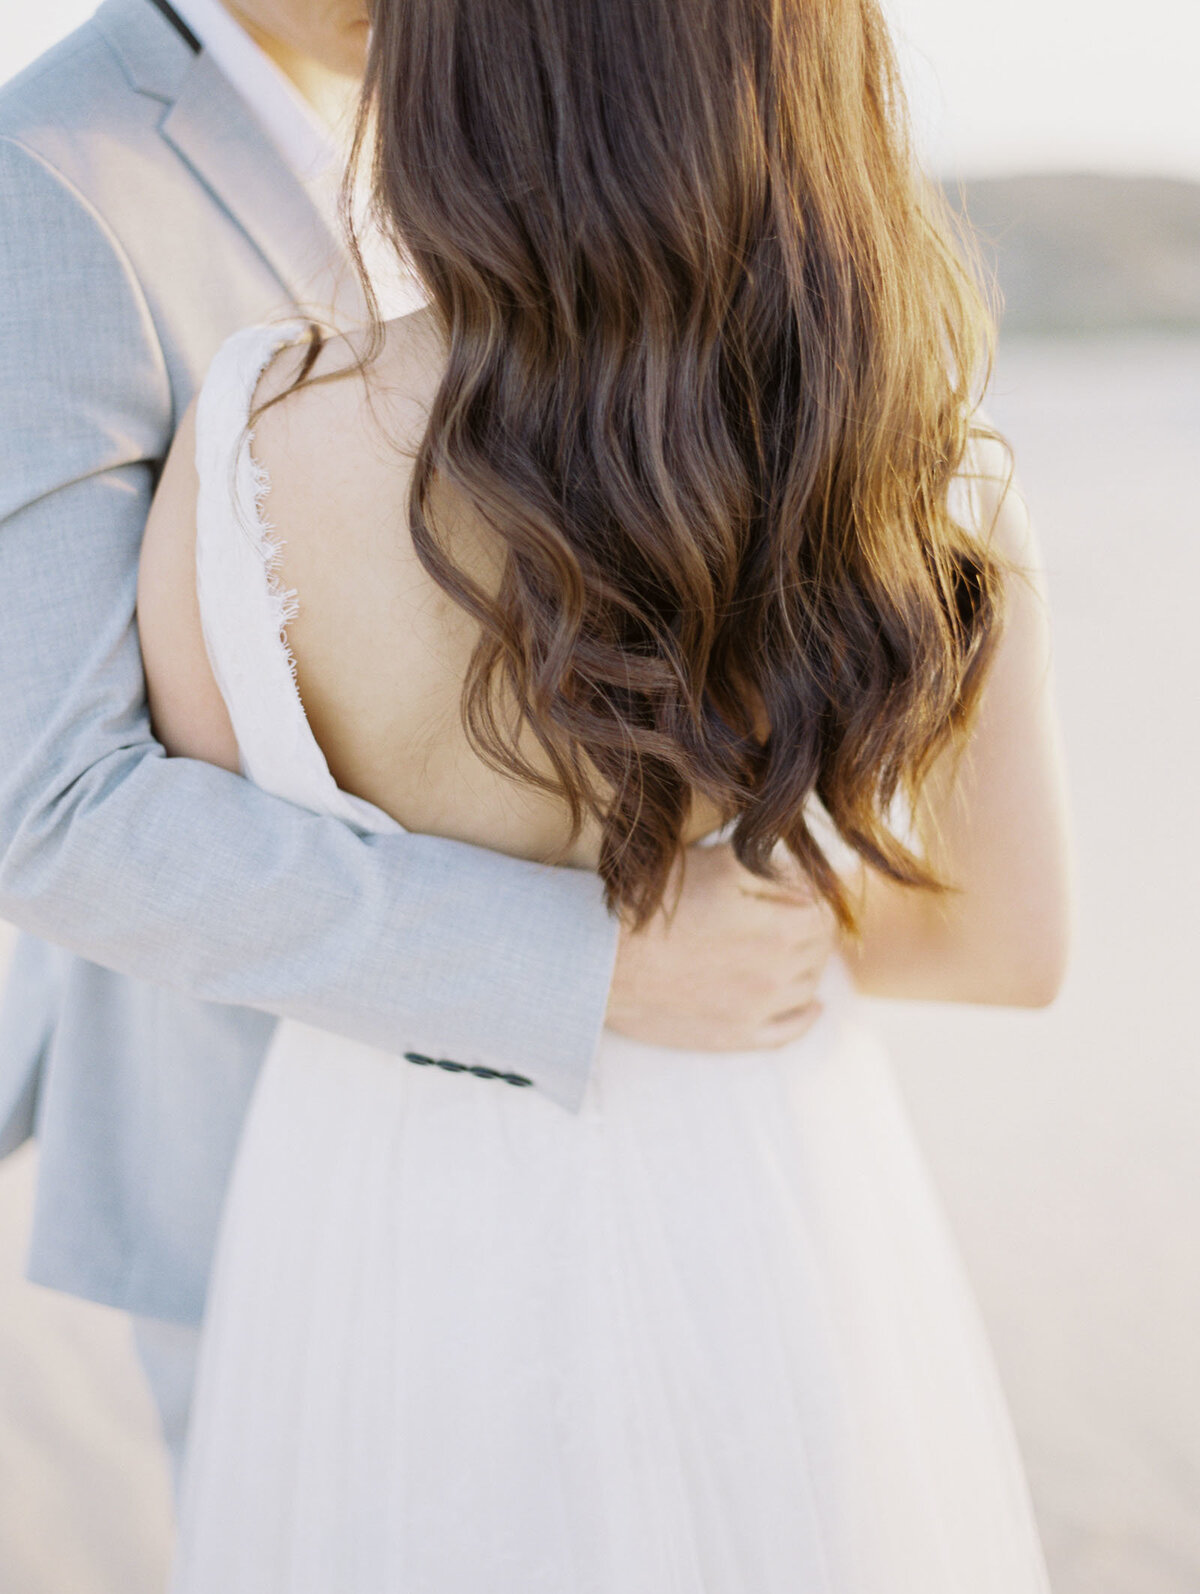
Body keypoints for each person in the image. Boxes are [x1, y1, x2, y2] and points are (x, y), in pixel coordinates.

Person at [136, 0, 1073, 1585]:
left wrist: (529, 953)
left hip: (376, 1231)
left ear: (454, 78)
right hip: (752, 1196)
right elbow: (1010, 948)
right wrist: (734, 952)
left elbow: (210, 869)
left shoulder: (248, 436)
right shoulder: (917, 455)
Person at [0, 0, 838, 1490]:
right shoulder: (50, 178)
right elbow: (53, 809)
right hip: (265, 1165)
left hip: (602, 1155)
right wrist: (591, 963)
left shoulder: (497, 112)